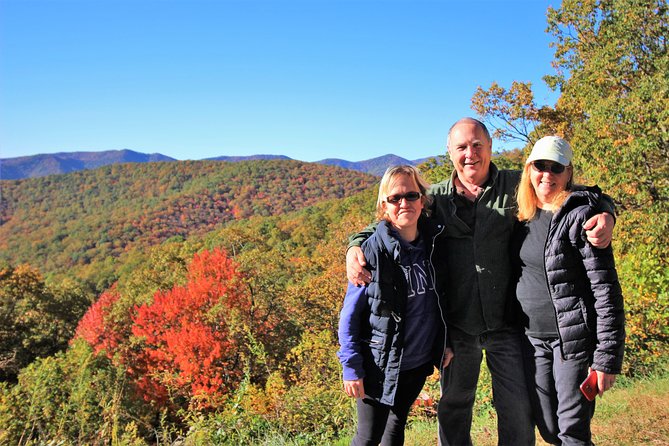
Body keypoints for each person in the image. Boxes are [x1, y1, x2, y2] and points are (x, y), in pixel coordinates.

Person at [346, 118, 616, 446]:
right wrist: (355, 245)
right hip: (457, 325)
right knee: (455, 408)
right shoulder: (436, 199)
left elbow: (568, 192)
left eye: (477, 145)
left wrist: (605, 211)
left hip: (508, 324)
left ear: (490, 147)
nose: (470, 153)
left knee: (516, 410)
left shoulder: (517, 186)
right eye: (461, 147)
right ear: (450, 153)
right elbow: (393, 218)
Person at [511, 136, 625, 445]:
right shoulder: (519, 215)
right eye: (540, 166)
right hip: (531, 342)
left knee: (572, 430)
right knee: (549, 428)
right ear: (528, 169)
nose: (546, 175)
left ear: (568, 172)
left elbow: (606, 290)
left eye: (555, 168)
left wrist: (607, 358)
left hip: (571, 343)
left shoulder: (581, 217)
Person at [337, 165, 454, 446]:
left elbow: (441, 302)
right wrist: (351, 367)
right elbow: (349, 318)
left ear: (422, 200)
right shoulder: (371, 252)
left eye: (412, 195)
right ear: (383, 205)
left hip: (417, 362)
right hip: (380, 363)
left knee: (397, 425)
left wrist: (445, 343)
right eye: (395, 198)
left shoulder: (435, 244)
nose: (404, 203)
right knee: (368, 437)